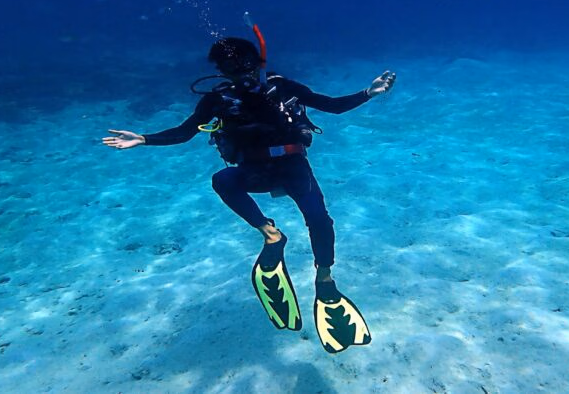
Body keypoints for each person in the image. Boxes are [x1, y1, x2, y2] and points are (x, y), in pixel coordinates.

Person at [103, 36, 395, 353]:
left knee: (320, 219)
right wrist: (143, 139)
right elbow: (185, 132)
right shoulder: (218, 100)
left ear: (258, 63)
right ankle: (271, 234)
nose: (240, 74)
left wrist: (369, 93)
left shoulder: (282, 87)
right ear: (222, 71)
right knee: (223, 180)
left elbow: (331, 106)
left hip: (292, 167)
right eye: (230, 68)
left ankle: (324, 279)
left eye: (244, 65)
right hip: (254, 171)